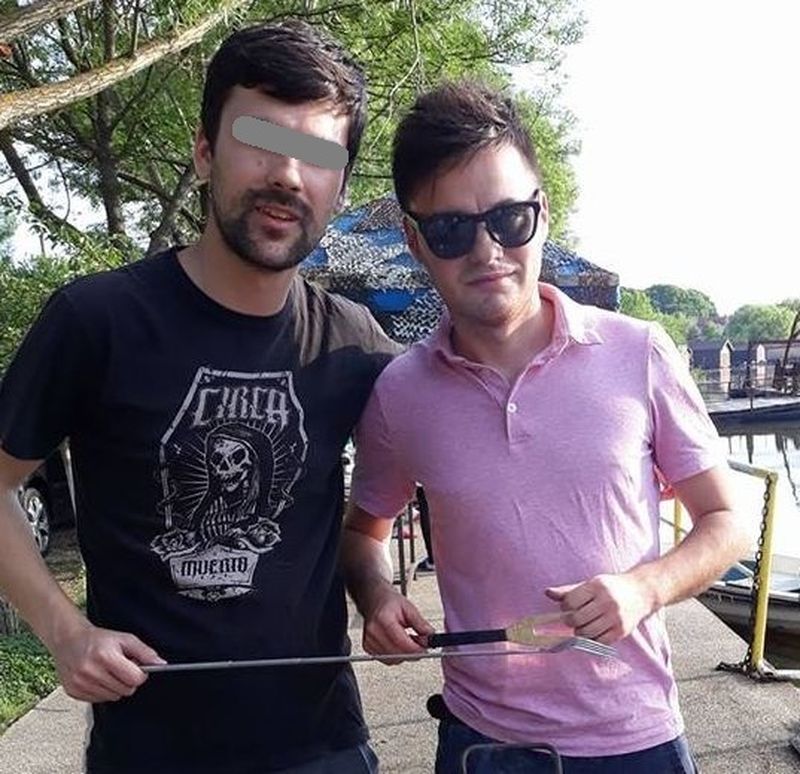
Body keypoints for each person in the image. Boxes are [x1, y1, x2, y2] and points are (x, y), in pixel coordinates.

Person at [0, 20, 400, 774]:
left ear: (341, 185)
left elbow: (439, 472)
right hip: (148, 752)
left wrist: (378, 595)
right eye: (260, 139)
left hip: (324, 749)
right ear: (205, 149)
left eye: (319, 156)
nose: (288, 175)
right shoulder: (96, 319)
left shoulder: (358, 346)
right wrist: (65, 632)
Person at [341, 81, 750, 773]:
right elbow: (362, 532)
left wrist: (645, 588)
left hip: (638, 740)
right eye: (450, 229)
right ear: (414, 240)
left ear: (543, 212)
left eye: (509, 219)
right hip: (482, 744)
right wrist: (377, 596)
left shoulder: (640, 352)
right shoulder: (400, 392)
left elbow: (728, 522)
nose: (486, 251)